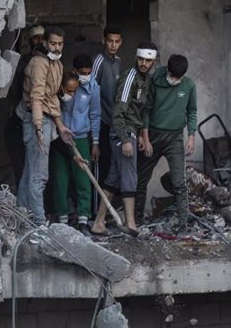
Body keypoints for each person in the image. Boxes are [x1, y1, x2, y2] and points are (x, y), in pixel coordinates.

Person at [91, 42, 157, 235]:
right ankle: (131, 224)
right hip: (122, 132)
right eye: (141, 59)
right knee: (130, 177)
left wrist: (142, 135)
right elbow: (118, 110)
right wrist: (126, 138)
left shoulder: (146, 79)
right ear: (136, 58)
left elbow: (141, 111)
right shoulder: (130, 77)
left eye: (148, 60)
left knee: (114, 178)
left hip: (131, 132)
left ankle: (98, 223)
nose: (144, 63)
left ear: (153, 62)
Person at [17, 26, 73, 226]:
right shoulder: (39, 64)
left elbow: (52, 98)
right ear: (45, 43)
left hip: (47, 120)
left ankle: (21, 217)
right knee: (39, 178)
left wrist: (61, 125)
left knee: (29, 174)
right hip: (35, 120)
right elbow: (37, 98)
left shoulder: (56, 63)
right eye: (53, 43)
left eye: (60, 44)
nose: (57, 48)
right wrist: (39, 128)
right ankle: (39, 223)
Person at [136, 54, 197, 229]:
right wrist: (146, 139)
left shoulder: (189, 85)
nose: (175, 80)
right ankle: (137, 219)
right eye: (172, 76)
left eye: (179, 78)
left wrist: (191, 136)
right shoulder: (155, 80)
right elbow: (145, 111)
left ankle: (183, 225)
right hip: (153, 135)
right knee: (141, 180)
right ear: (167, 71)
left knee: (179, 182)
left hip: (175, 137)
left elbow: (192, 111)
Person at [50, 55, 101, 235]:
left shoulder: (93, 88)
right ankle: (62, 220)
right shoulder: (63, 84)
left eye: (88, 73)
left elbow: (95, 115)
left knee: (83, 180)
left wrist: (95, 142)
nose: (85, 76)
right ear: (74, 71)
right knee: (60, 179)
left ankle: (83, 220)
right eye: (82, 73)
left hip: (80, 137)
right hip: (60, 138)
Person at [4, 25, 45, 189]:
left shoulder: (52, 62)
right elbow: (15, 90)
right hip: (23, 114)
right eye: (36, 38)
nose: (39, 41)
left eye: (42, 37)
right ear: (30, 40)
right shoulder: (24, 62)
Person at [92, 27, 123, 187]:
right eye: (110, 41)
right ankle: (95, 209)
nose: (113, 45)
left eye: (117, 41)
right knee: (101, 165)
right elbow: (91, 90)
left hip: (114, 122)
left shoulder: (118, 62)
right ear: (104, 40)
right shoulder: (99, 61)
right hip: (101, 121)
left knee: (113, 164)